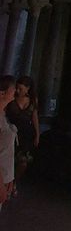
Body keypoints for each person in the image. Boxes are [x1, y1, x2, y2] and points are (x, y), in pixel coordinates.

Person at [6, 75, 39, 181]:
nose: (18, 90)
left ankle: (14, 181)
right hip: (11, 129)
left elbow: (34, 117)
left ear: (28, 88)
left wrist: (37, 134)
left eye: (21, 88)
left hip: (26, 132)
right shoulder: (12, 98)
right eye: (17, 88)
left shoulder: (33, 100)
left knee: (23, 161)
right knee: (8, 158)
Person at [0, 76, 16, 212]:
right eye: (13, 89)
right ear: (2, 93)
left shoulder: (3, 114)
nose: (15, 91)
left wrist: (10, 177)